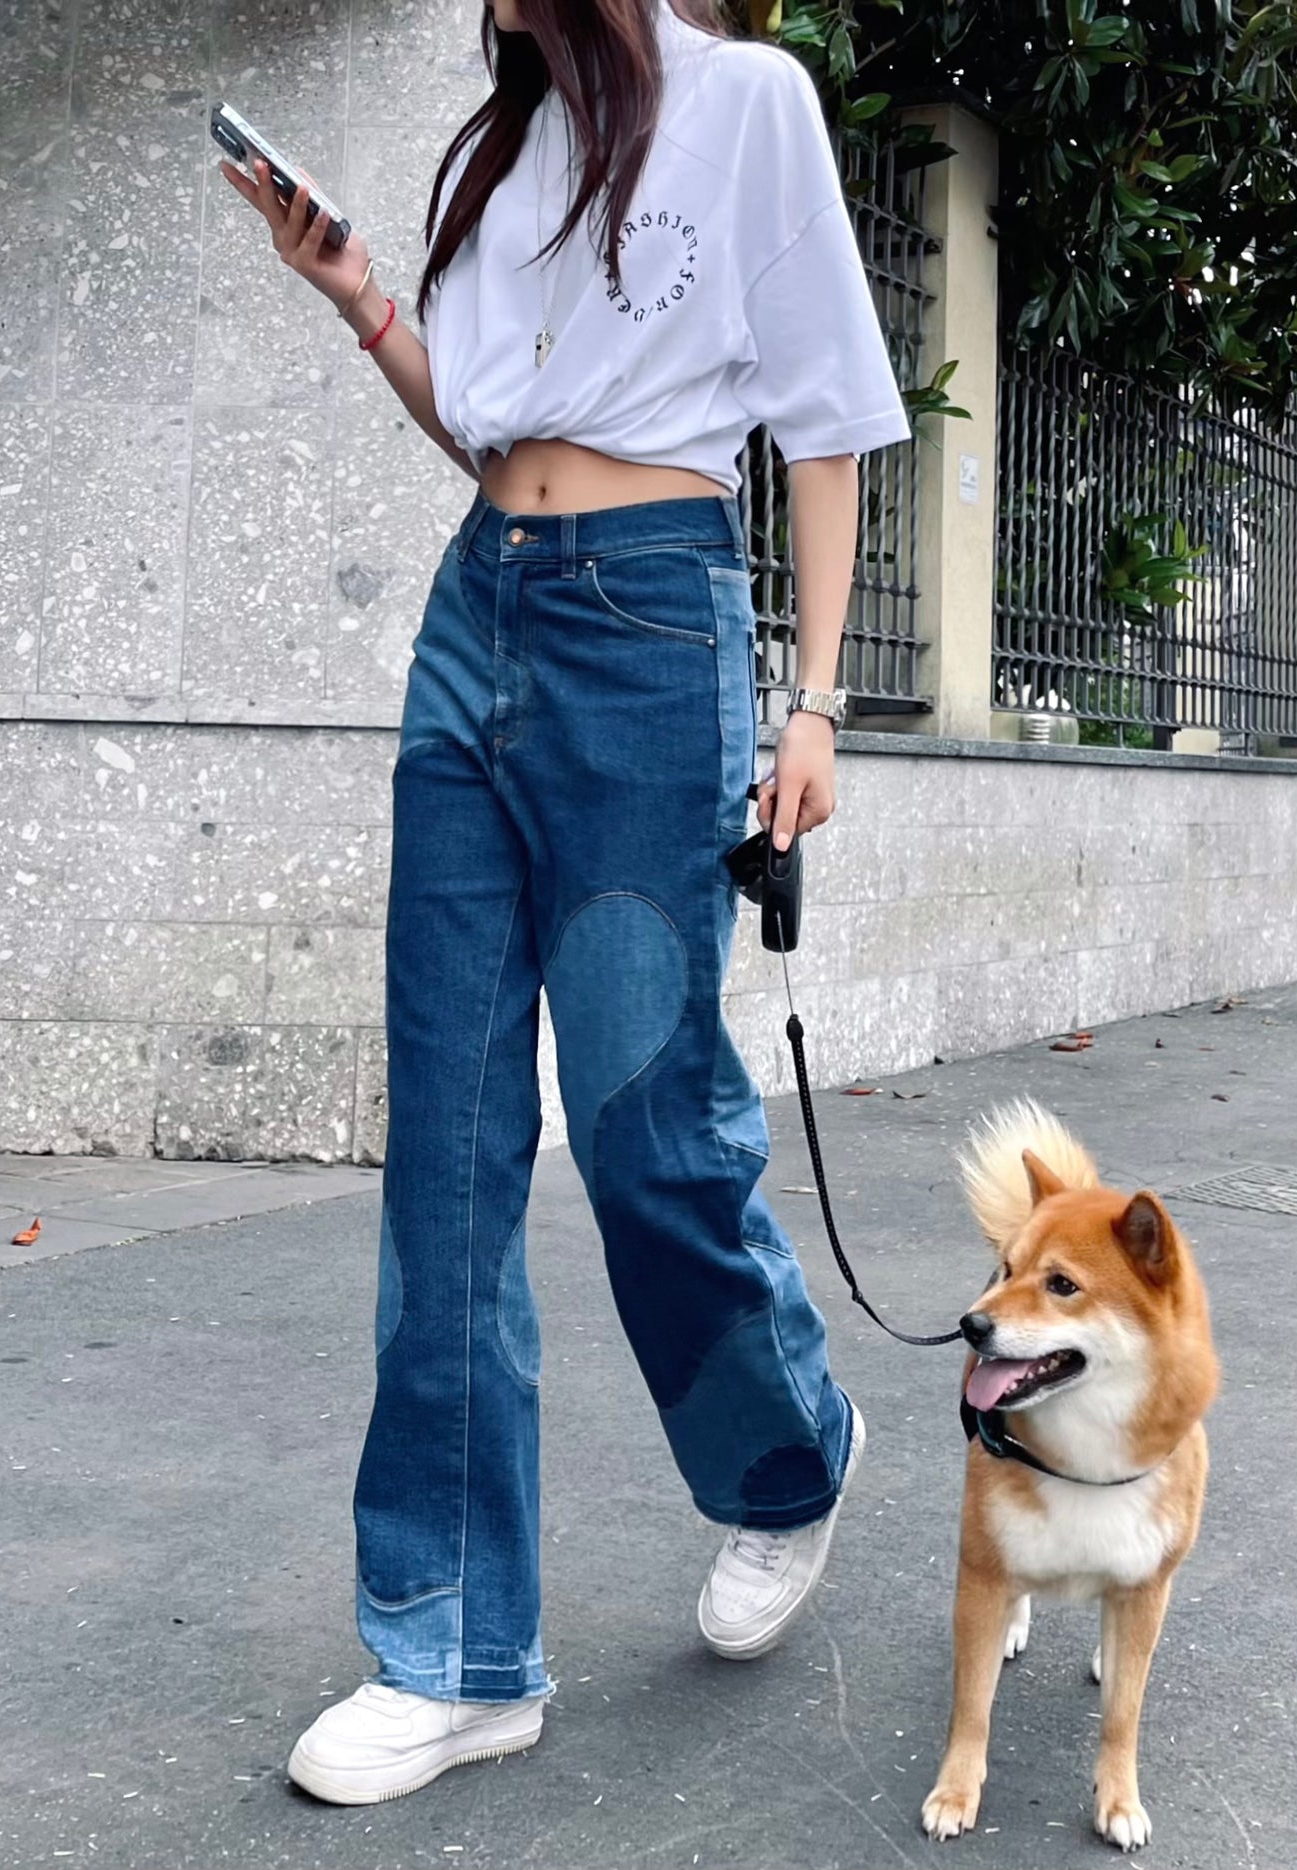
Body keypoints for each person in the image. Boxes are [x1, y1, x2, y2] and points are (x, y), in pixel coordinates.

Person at [221, 0, 910, 1807]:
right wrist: (363, 290)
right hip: (482, 621)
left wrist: (817, 699)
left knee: (645, 1130)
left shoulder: (751, 101)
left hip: (652, 621)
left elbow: (827, 418)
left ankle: (787, 1452)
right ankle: (453, 1647)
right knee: (443, 1138)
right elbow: (492, 434)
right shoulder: (505, 145)